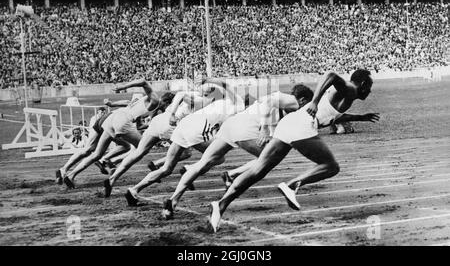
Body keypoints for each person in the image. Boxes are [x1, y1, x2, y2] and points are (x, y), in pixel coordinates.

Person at [209, 69, 380, 232]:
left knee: (258, 170)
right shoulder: (350, 89)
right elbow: (331, 75)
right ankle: (291, 186)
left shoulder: (345, 96)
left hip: (289, 123)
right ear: (363, 83)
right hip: (303, 125)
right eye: (369, 87)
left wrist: (360, 118)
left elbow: (331, 115)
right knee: (331, 166)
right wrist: (314, 101)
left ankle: (221, 205)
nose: (369, 92)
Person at [161, 84, 314, 218]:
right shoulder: (293, 101)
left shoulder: (282, 104)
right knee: (266, 159)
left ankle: (173, 199)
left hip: (231, 125)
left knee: (203, 163)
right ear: (303, 100)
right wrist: (264, 129)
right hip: (245, 129)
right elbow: (270, 102)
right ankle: (232, 175)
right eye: (306, 104)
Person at [123, 79, 245, 213]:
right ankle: (175, 196)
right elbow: (225, 86)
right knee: (216, 158)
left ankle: (134, 190)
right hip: (196, 130)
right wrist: (208, 80)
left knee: (166, 168)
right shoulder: (238, 105)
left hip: (183, 125)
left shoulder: (218, 103)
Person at [103, 82, 220, 197]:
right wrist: (173, 115)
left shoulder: (194, 94)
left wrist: (172, 113)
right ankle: (187, 170)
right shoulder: (204, 100)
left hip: (159, 120)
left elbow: (180, 95)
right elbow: (183, 97)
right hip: (172, 126)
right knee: (182, 158)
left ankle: (112, 179)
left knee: (138, 152)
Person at [63, 78, 174, 189]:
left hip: (114, 118)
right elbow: (143, 81)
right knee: (141, 149)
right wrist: (122, 87)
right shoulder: (154, 99)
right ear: (167, 102)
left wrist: (151, 126)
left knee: (97, 154)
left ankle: (71, 175)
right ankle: (113, 166)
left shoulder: (149, 106)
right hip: (123, 121)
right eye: (169, 106)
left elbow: (139, 125)